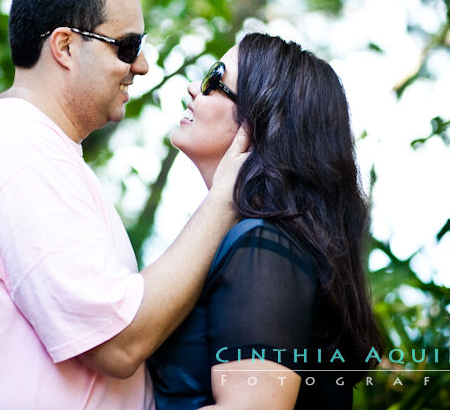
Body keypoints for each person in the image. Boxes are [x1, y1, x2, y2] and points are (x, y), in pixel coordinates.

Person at [0, 0, 247, 409]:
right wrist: (226, 197)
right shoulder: (22, 153)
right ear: (66, 46)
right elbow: (119, 342)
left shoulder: (14, 143)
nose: (143, 65)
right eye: (127, 46)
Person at [148, 33, 383, 409]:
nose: (194, 88)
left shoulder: (263, 246)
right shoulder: (257, 243)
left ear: (261, 121)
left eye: (215, 78)